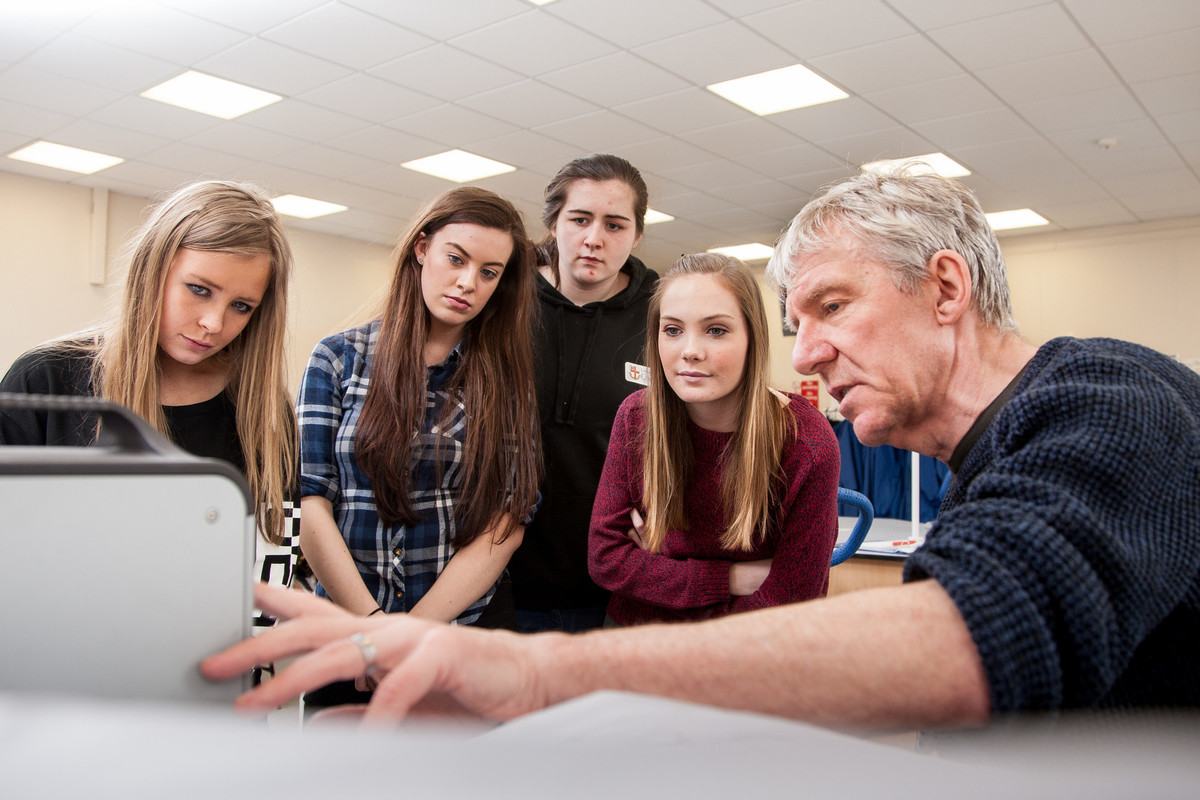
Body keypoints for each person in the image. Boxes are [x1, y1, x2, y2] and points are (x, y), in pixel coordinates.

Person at [203, 168, 1200, 730]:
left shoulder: (1108, 398)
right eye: (795, 317)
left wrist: (548, 672)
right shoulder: (994, 456)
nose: (807, 349)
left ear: (946, 287)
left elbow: (969, 640)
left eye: (833, 306)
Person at [1, 180, 302, 632]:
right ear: (154, 268)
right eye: (200, 289)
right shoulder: (47, 379)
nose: (213, 323)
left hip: (212, 679)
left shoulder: (261, 410)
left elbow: (270, 565)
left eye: (241, 306)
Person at [295, 186, 540, 640]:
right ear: (422, 248)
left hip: (460, 631)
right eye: (456, 259)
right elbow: (310, 500)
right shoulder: (336, 359)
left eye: (489, 272)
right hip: (345, 629)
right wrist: (370, 628)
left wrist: (413, 633)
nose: (469, 282)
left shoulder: (507, 381)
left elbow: (507, 518)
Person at [588, 253, 839, 625]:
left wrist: (660, 570)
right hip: (637, 640)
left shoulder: (806, 439)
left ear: (752, 337)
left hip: (746, 656)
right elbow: (606, 559)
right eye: (672, 330)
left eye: (716, 330)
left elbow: (793, 594)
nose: (691, 350)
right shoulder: (637, 417)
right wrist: (731, 578)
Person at [507, 154, 659, 633]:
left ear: (636, 236)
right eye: (579, 219)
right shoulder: (502, 301)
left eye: (615, 225)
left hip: (614, 585)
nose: (594, 238)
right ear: (554, 224)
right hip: (495, 583)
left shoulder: (665, 316)